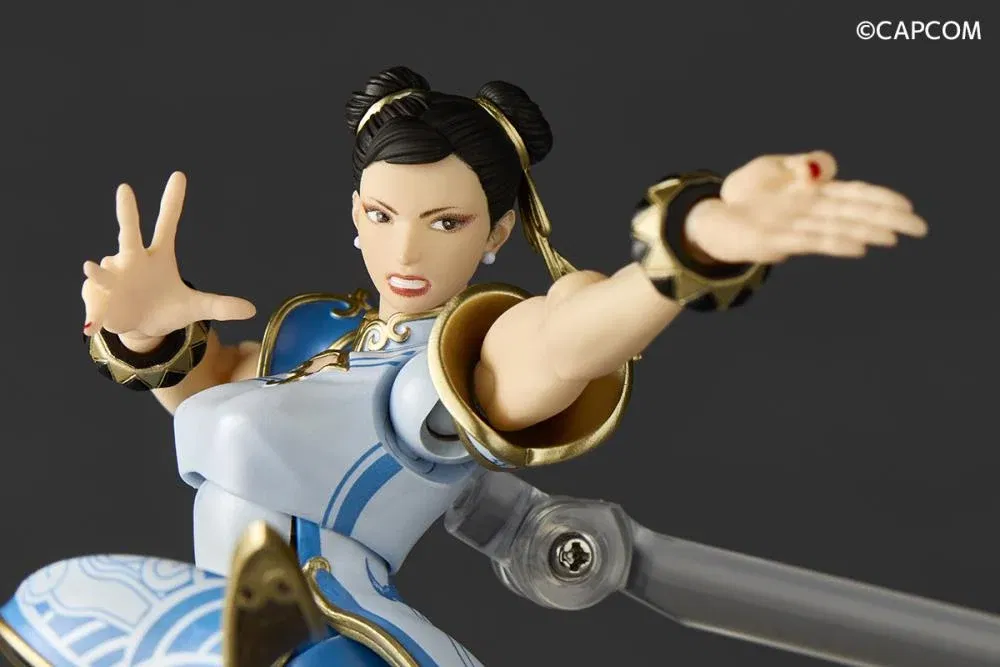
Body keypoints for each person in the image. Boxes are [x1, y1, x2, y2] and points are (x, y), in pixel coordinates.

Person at [0, 65, 926, 667]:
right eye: (383, 215)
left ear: (497, 232)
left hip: (328, 638)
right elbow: (208, 399)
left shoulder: (458, 358)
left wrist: (690, 251)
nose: (407, 248)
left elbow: (565, 341)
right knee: (52, 601)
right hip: (229, 621)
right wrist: (145, 337)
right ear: (355, 213)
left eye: (445, 221)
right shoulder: (312, 331)